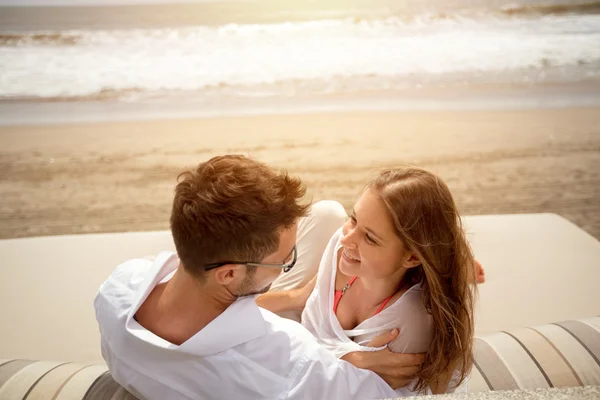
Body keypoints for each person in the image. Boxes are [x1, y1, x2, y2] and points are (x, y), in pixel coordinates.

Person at [94, 155, 424, 400]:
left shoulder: (117, 289)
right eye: (284, 261)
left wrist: (293, 297)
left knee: (325, 215)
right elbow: (382, 392)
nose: (288, 265)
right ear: (229, 273)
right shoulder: (287, 364)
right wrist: (349, 360)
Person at [257, 167, 477, 396]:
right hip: (301, 347)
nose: (347, 238)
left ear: (411, 257)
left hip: (305, 369)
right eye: (353, 219)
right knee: (327, 212)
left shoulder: (409, 322)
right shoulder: (342, 247)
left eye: (370, 238)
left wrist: (344, 365)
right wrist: (349, 360)